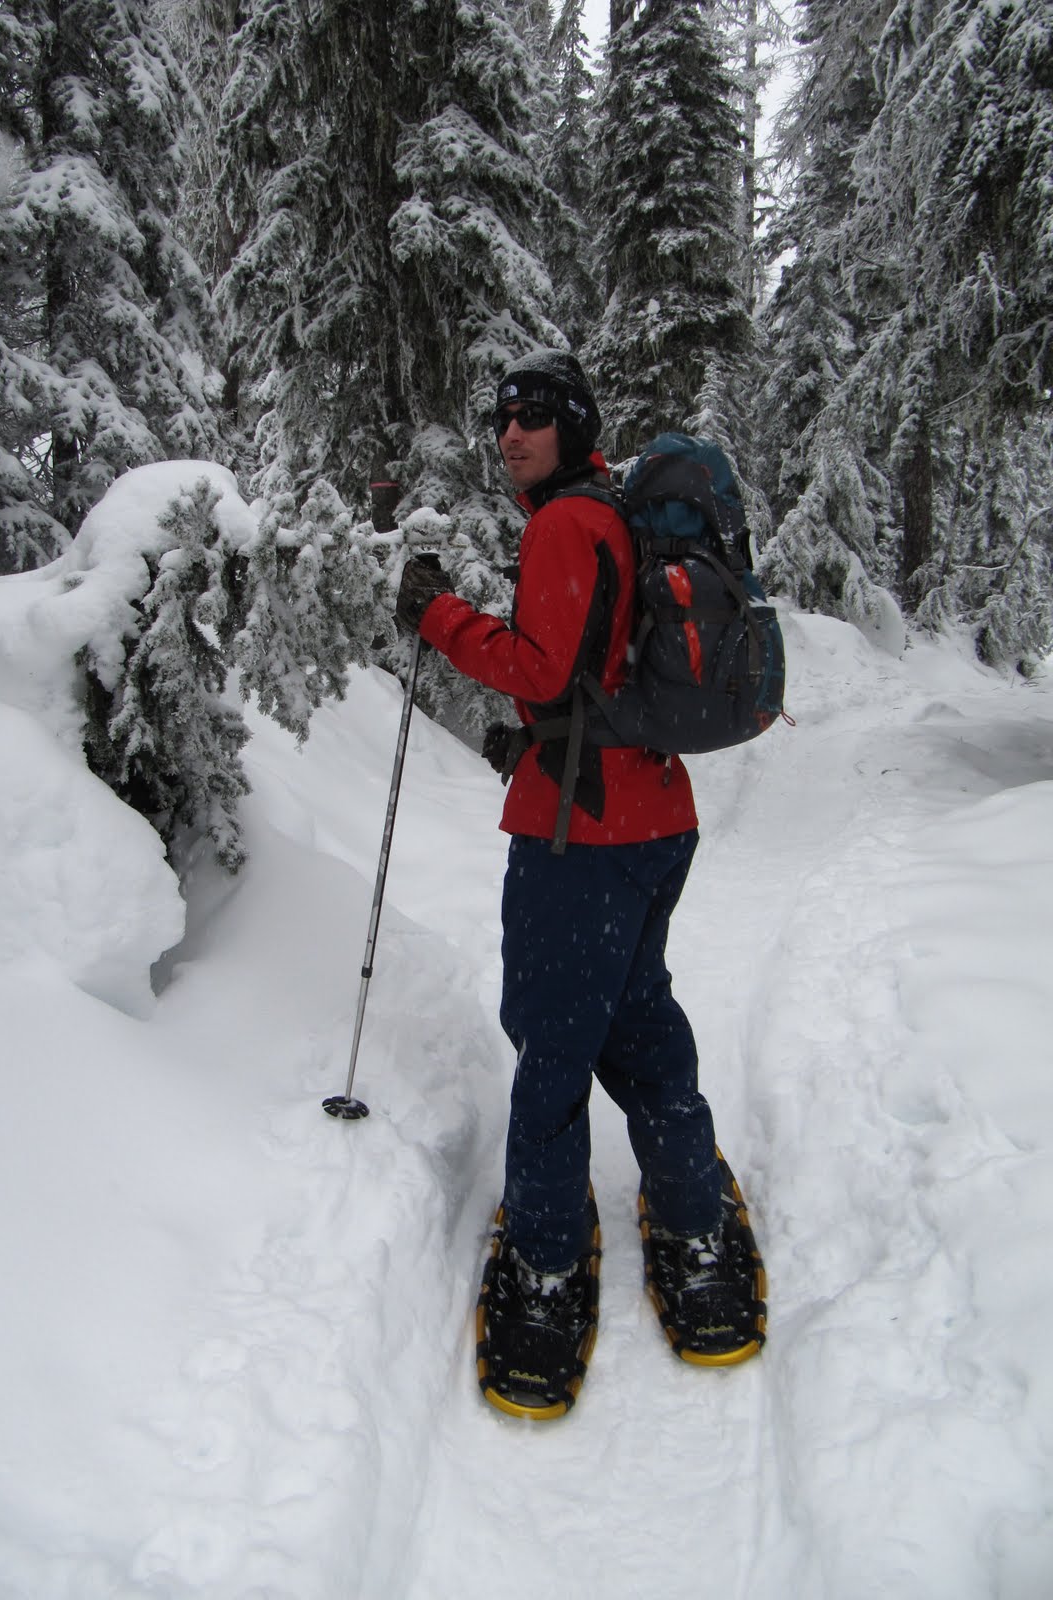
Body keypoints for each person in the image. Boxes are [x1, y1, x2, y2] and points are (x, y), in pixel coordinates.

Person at [393, 351, 757, 1390]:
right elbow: (593, 681)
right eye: (502, 417)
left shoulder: (564, 522)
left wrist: (437, 616)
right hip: (649, 818)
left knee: (555, 1044)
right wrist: (531, 745)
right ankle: (690, 1215)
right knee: (638, 1016)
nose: (511, 433)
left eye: (534, 417)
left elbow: (542, 670)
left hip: (582, 844)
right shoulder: (610, 513)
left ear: (574, 425)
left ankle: (548, 1256)